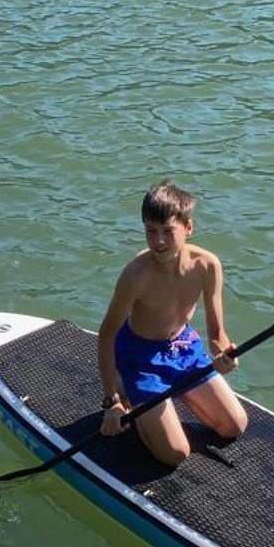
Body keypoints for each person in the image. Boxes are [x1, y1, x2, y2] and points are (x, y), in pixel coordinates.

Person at [96, 182, 248, 467]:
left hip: (183, 348)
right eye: (150, 231)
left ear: (188, 227)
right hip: (139, 357)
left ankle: (171, 395)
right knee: (176, 454)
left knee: (234, 426)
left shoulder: (207, 265)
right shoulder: (135, 276)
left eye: (168, 231)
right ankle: (132, 394)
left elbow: (217, 335)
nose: (159, 241)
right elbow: (106, 336)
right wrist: (111, 401)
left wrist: (226, 354)